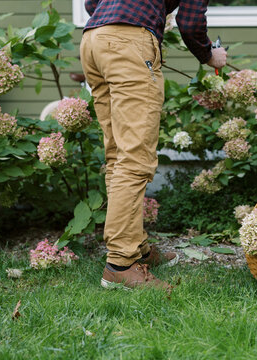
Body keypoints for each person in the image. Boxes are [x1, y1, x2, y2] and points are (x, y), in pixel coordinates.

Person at [80, 0, 227, 290]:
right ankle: (120, 264)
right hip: (128, 42)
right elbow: (191, 22)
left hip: (93, 41)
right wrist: (209, 54)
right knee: (135, 158)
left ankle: (136, 248)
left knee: (118, 154)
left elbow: (92, 3)